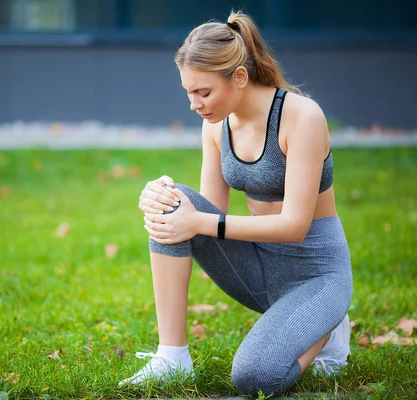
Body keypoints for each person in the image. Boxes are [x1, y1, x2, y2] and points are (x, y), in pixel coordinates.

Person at [118, 10, 353, 398]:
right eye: (188, 92)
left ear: (239, 77)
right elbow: (208, 210)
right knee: (171, 201)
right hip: (259, 269)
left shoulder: (301, 116)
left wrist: (198, 222)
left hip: (316, 275)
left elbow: (295, 225)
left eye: (203, 92)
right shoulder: (215, 124)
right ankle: (172, 356)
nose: (194, 104)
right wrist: (161, 197)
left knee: (255, 378)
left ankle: (326, 326)